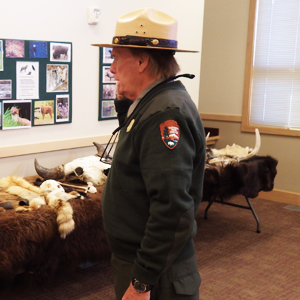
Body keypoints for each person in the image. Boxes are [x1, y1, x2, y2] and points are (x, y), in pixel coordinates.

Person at [92, 8, 206, 300]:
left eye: (116, 58)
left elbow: (172, 210)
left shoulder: (165, 115)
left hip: (159, 275)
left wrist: (142, 281)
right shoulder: (154, 103)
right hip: (143, 261)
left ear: (142, 61)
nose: (111, 69)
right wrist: (123, 102)